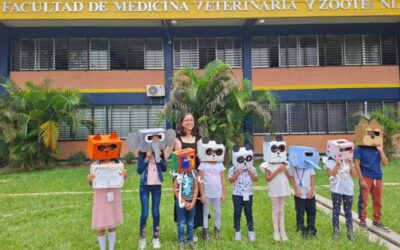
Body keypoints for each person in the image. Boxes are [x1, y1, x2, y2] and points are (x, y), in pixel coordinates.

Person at [173, 113, 204, 241]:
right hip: (181, 174)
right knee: (182, 199)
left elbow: (203, 158)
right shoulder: (177, 138)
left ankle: (193, 231)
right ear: (182, 123)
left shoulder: (199, 138)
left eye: (191, 120)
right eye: (186, 120)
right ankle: (182, 230)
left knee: (195, 200)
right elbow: (176, 155)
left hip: (195, 174)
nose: (189, 122)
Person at [87, 160, 128, 250]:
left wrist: (124, 175)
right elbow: (92, 183)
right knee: (100, 223)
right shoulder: (95, 164)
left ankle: (111, 248)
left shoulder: (117, 163)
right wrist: (90, 180)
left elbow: (122, 180)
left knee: (112, 223)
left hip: (114, 195)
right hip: (100, 196)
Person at [137, 135, 168, 250]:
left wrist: (159, 157)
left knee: (155, 212)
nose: (155, 142)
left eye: (157, 140)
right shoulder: (142, 153)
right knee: (144, 213)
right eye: (152, 140)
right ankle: (142, 238)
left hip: (156, 187)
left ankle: (156, 237)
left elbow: (164, 168)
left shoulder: (160, 153)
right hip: (144, 186)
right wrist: (146, 158)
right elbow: (139, 170)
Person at [355, 143, 389, 230]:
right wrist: (361, 179)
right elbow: (357, 165)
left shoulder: (377, 148)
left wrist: (381, 150)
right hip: (366, 177)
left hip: (378, 177)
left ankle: (377, 220)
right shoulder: (359, 148)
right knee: (364, 200)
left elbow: (385, 163)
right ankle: (362, 220)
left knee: (378, 201)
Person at [325, 158, 357, 240]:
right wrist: (337, 165)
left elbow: (354, 175)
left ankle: (350, 231)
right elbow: (330, 174)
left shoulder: (348, 160)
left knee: (348, 211)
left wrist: (351, 164)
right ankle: (336, 231)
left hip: (348, 189)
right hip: (336, 189)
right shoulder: (330, 161)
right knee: (336, 210)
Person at [260, 161, 291, 241]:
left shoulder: (285, 163)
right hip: (274, 188)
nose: (277, 151)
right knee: (275, 210)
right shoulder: (267, 164)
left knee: (281, 210)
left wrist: (285, 169)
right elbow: (267, 178)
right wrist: (277, 171)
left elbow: (289, 176)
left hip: (283, 187)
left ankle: (283, 231)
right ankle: (276, 231)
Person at [228, 159, 258, 241]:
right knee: (237, 212)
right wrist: (237, 173)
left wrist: (250, 171)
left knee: (248, 212)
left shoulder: (252, 168)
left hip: (248, 194)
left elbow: (256, 179)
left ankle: (251, 231)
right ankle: (237, 231)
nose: (244, 161)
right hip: (237, 194)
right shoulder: (233, 168)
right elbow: (230, 180)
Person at [199, 157, 226, 241]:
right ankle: (205, 231)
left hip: (217, 194)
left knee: (217, 212)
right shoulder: (203, 164)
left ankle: (217, 230)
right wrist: (202, 194)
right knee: (205, 212)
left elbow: (223, 180)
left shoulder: (219, 164)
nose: (213, 155)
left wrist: (223, 193)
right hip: (207, 194)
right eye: (210, 152)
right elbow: (200, 180)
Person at [288, 164, 317, 238]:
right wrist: (296, 189)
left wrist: (312, 190)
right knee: (300, 212)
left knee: (311, 212)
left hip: (309, 193)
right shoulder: (293, 165)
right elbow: (290, 177)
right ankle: (300, 229)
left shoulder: (309, 163)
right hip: (299, 194)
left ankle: (311, 229)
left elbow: (313, 177)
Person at [173, 170, 199, 250]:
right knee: (181, 223)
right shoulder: (178, 172)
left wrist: (193, 202)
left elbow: (196, 188)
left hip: (191, 202)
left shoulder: (194, 173)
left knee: (190, 223)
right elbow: (175, 189)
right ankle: (181, 242)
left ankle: (190, 241)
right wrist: (183, 202)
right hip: (181, 203)